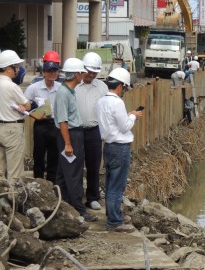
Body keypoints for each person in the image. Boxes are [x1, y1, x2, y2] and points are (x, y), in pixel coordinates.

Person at [95, 68, 142, 232]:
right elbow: (125, 126)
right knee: (117, 185)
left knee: (110, 183)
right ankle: (115, 221)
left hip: (108, 146)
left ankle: (112, 214)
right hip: (120, 148)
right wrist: (134, 116)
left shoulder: (101, 101)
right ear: (121, 86)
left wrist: (127, 115)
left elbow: (113, 122)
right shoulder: (117, 102)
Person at [53, 58, 97, 222]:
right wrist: (68, 143)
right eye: (82, 72)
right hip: (70, 135)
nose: (85, 74)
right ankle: (79, 209)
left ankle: (63, 204)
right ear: (76, 74)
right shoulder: (64, 93)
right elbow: (63, 121)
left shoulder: (69, 91)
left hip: (72, 134)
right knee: (74, 173)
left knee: (63, 173)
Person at [75, 52, 108, 211]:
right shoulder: (73, 86)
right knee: (75, 165)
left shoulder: (102, 87)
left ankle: (93, 197)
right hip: (76, 131)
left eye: (95, 72)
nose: (91, 75)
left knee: (94, 165)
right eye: (89, 71)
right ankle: (75, 196)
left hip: (94, 131)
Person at [24, 59, 61, 183]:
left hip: (55, 125)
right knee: (38, 155)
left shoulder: (61, 88)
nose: (53, 74)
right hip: (40, 125)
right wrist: (34, 115)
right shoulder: (34, 88)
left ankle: (52, 184)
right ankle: (38, 183)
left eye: (55, 71)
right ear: (43, 73)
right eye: (49, 71)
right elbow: (24, 106)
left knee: (54, 156)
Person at [0, 50, 31, 184]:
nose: (17, 69)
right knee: (15, 172)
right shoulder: (11, 86)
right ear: (8, 68)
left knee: (1, 169)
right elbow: (27, 105)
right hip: (12, 128)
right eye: (15, 66)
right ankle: (12, 201)